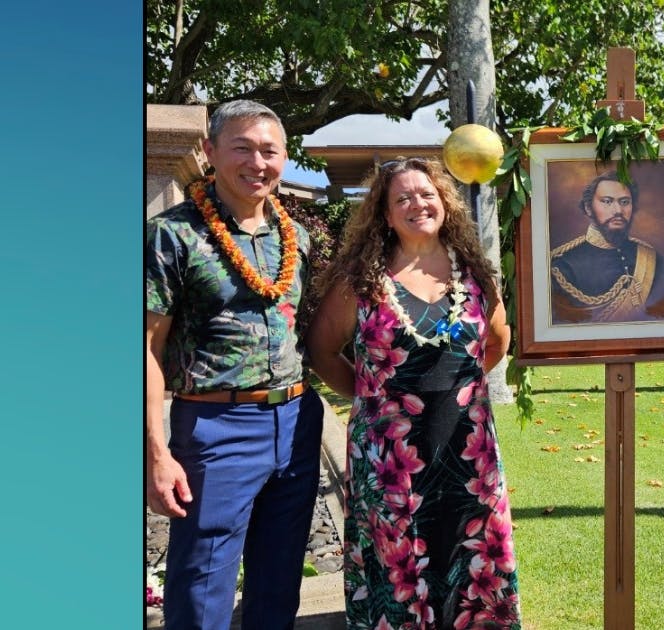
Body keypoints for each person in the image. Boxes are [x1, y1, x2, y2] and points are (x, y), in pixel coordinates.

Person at [306, 157, 520, 629]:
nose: (416, 204)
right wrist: (374, 396)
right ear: (384, 215)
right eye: (401, 198)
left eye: (426, 194)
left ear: (444, 202)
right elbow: (322, 352)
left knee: (468, 553)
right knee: (398, 560)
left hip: (468, 448)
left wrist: (453, 390)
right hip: (389, 453)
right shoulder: (360, 281)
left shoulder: (475, 275)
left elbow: (498, 342)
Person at [145, 100, 324, 630]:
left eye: (269, 150)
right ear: (209, 152)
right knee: (201, 591)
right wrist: (155, 453)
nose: (257, 162)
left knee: (277, 585)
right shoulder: (173, 235)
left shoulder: (298, 238)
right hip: (215, 427)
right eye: (241, 147)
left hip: (295, 422)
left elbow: (302, 330)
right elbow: (146, 350)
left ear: (285, 158)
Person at [550, 170, 664, 323]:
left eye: (624, 202)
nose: (618, 210)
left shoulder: (652, 259)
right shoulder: (563, 266)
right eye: (607, 201)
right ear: (588, 207)